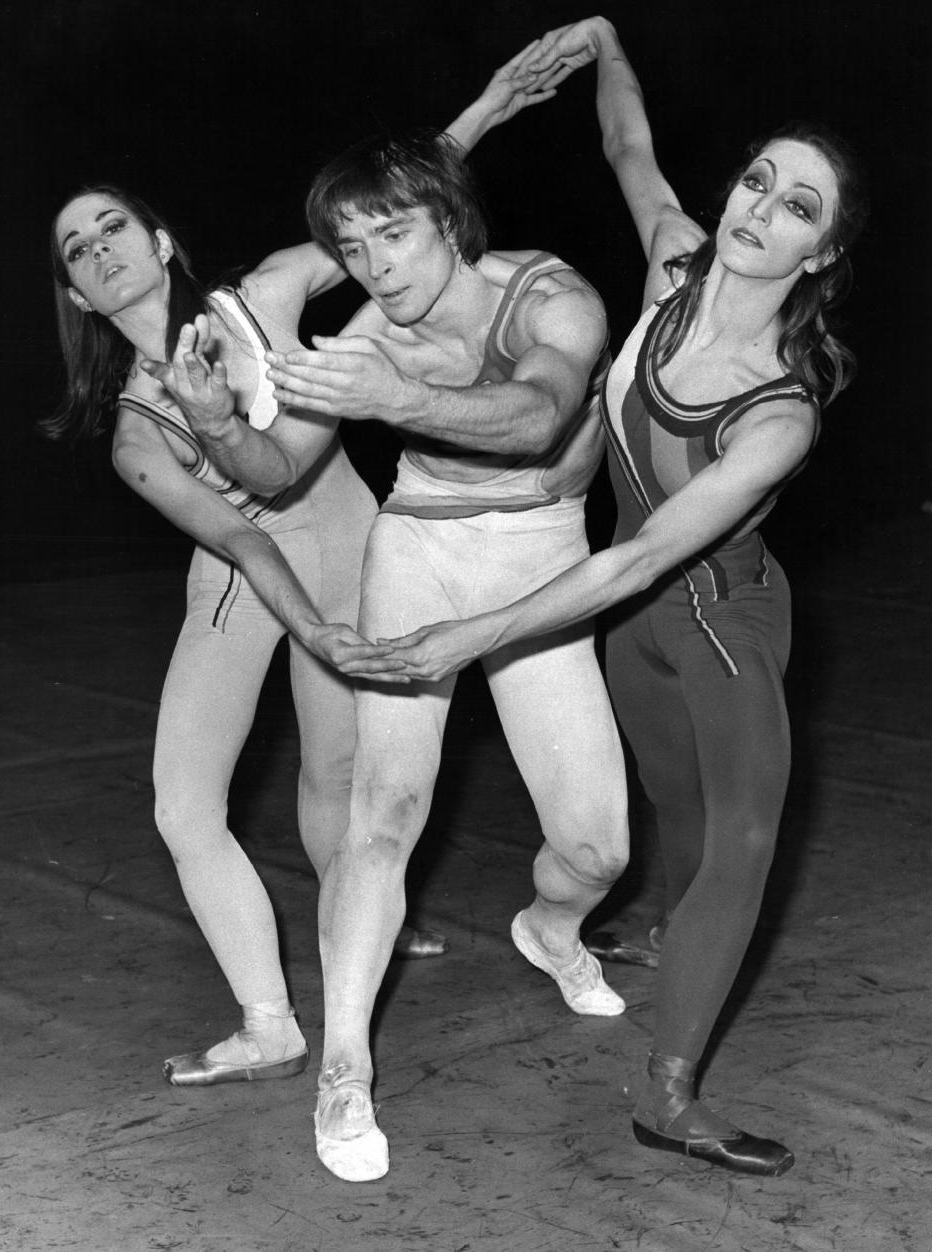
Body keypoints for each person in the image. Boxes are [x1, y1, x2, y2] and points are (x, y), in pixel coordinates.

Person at [387, 16, 868, 1177]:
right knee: (682, 829)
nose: (759, 210)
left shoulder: (778, 408)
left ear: (819, 257)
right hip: (640, 635)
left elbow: (636, 560)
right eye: (759, 180)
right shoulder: (673, 259)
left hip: (722, 624)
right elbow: (626, 142)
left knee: (742, 842)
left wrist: (465, 635)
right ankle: (664, 932)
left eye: (798, 208)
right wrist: (606, 44)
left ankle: (669, 1095)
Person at [45, 43, 566, 1090]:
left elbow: (382, 218)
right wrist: (311, 628)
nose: (99, 252)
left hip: (339, 545)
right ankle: (269, 1019)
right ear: (76, 296)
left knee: (337, 779)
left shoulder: (270, 289)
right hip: (238, 577)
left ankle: (360, 926)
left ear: (160, 240)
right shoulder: (138, 434)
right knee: (183, 803)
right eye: (74, 251)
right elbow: (243, 530)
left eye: (112, 228)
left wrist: (493, 102)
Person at [204, 125, 634, 1178]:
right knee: (382, 813)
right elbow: (272, 466)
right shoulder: (371, 331)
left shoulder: (548, 293)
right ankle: (342, 1071)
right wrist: (216, 420)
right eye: (351, 248)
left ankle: (550, 928)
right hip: (419, 548)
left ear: (449, 218)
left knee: (598, 851)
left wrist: (390, 398)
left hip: (536, 565)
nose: (374, 266)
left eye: (392, 233)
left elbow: (538, 415)